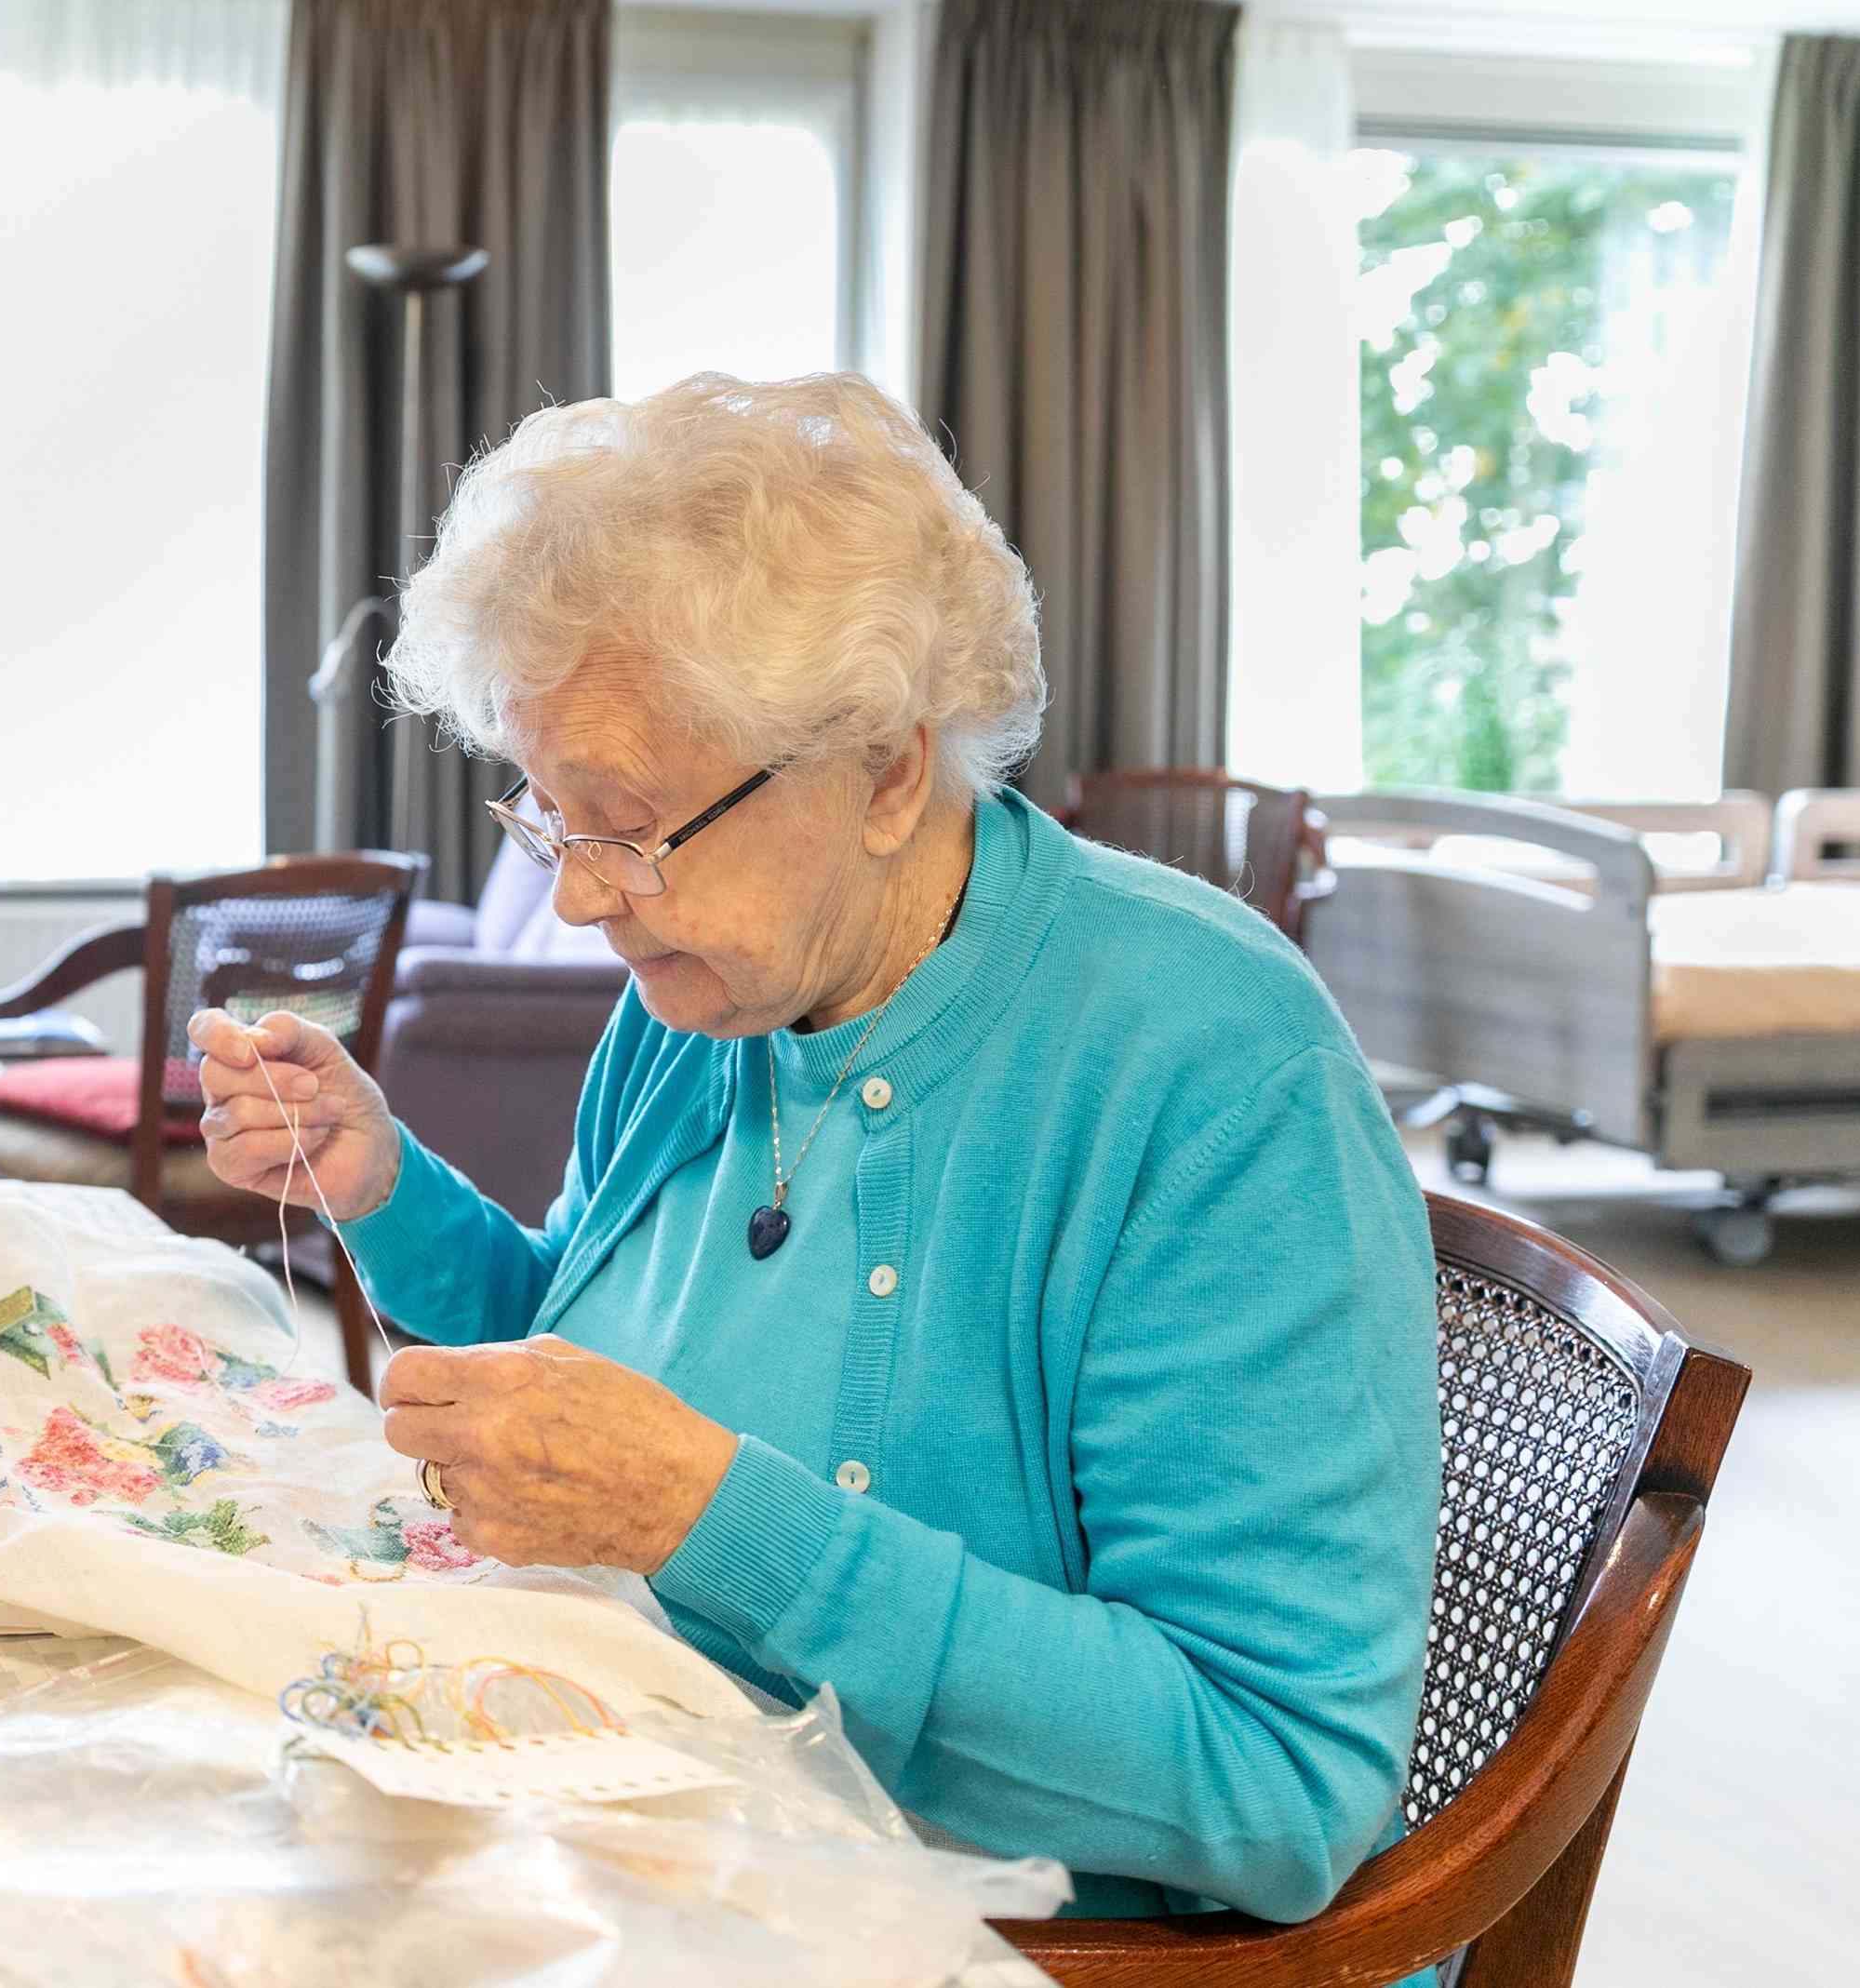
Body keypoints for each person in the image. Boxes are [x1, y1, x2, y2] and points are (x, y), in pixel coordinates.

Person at [189, 372, 1438, 1926]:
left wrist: (711, 1517)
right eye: (548, 821)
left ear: (889, 768)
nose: (579, 899)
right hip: (643, 1831)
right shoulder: (709, 990)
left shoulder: (1212, 1071)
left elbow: (1279, 1783)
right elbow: (581, 1353)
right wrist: (380, 1179)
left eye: (628, 826)